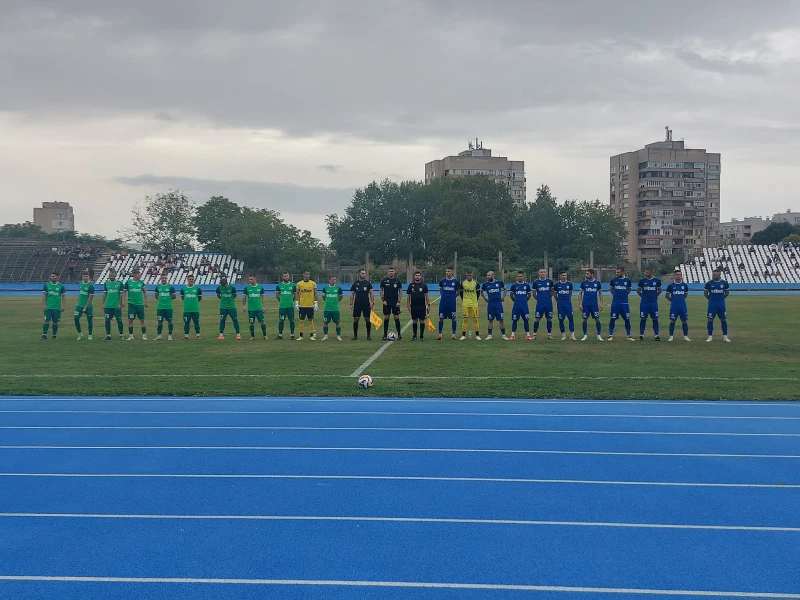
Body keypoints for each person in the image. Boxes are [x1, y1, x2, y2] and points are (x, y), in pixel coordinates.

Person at [608, 266, 634, 342]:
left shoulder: (627, 281)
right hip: (615, 303)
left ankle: (628, 336)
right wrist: (616, 296)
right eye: (616, 272)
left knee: (627, 319)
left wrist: (624, 296)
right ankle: (610, 335)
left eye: (618, 272)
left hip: (624, 303)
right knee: (612, 319)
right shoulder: (613, 280)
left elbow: (629, 289)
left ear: (622, 272)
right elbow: (611, 289)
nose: (617, 273)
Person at [704, 268, 731, 343]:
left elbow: (727, 293)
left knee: (723, 320)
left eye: (715, 275)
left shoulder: (724, 283)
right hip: (712, 305)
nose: (713, 276)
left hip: (721, 305)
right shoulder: (709, 283)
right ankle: (710, 336)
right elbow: (705, 294)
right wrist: (711, 299)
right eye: (712, 275)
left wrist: (721, 299)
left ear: (719, 275)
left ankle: (725, 337)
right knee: (710, 320)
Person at [481, 270, 508, 341]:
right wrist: (485, 298)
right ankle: (489, 335)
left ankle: (503, 335)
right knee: (490, 320)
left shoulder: (499, 282)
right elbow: (481, 291)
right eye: (487, 275)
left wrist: (503, 297)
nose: (487, 277)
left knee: (501, 320)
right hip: (491, 304)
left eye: (489, 275)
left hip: (498, 304)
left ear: (493, 276)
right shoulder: (485, 284)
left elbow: (505, 289)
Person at [637, 266, 662, 341]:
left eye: (647, 272)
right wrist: (643, 296)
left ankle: (656, 335)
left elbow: (660, 289)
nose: (645, 273)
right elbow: (638, 290)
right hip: (644, 303)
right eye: (645, 272)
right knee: (643, 318)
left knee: (655, 319)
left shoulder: (657, 280)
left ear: (651, 272)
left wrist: (655, 295)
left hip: (653, 303)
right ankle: (641, 335)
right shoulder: (642, 281)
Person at [579, 269, 604, 342]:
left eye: (588, 274)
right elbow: (580, 293)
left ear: (592, 274)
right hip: (585, 304)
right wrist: (580, 303)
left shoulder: (597, 283)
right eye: (586, 274)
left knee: (597, 319)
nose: (586, 275)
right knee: (584, 319)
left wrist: (601, 303)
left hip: (594, 305)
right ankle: (585, 335)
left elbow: (600, 293)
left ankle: (599, 335)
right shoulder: (583, 283)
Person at [665, 270, 691, 342]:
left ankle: (685, 336)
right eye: (677, 274)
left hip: (682, 306)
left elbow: (685, 294)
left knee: (684, 321)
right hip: (674, 306)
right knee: (673, 320)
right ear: (674, 276)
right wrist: (673, 300)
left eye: (680, 274)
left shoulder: (684, 285)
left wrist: (681, 299)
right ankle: (671, 336)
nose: (679, 276)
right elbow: (666, 295)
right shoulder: (671, 285)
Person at [123, 269, 148, 341]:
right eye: (139, 274)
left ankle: (144, 335)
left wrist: (146, 301)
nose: (140, 276)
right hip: (131, 305)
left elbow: (145, 292)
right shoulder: (128, 282)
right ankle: (131, 336)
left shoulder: (141, 283)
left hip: (140, 304)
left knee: (142, 320)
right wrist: (123, 301)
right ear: (135, 275)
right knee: (130, 320)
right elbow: (124, 292)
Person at [350, 269, 374, 340]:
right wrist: (351, 304)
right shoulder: (355, 284)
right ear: (359, 274)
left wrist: (372, 302)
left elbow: (371, 293)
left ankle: (368, 336)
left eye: (365, 274)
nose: (364, 275)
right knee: (356, 319)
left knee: (367, 319)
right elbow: (352, 294)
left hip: (366, 304)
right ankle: (355, 336)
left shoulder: (368, 283)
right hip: (357, 303)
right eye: (363, 273)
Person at [380, 267, 403, 340]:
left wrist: (399, 301)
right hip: (387, 302)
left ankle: (399, 335)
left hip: (395, 302)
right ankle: (384, 335)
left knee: (396, 318)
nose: (391, 272)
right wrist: (383, 299)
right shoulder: (384, 280)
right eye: (390, 271)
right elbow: (380, 290)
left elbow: (400, 292)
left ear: (394, 272)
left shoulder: (397, 281)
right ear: (388, 272)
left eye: (392, 271)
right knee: (386, 318)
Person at [41, 271, 66, 340]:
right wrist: (44, 305)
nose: (51, 277)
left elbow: (63, 297)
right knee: (46, 320)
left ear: (58, 277)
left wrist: (63, 306)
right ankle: (44, 335)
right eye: (51, 276)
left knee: (55, 321)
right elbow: (44, 296)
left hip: (57, 307)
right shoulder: (46, 285)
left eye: (53, 276)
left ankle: (54, 335)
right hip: (48, 307)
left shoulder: (61, 286)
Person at [532, 268, 555, 340]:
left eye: (544, 272)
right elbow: (534, 294)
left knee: (549, 319)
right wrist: (539, 299)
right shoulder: (536, 282)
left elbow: (552, 292)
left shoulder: (550, 282)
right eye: (541, 272)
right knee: (537, 319)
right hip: (540, 304)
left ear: (546, 273)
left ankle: (549, 335)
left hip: (548, 304)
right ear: (539, 273)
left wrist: (548, 297)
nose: (543, 273)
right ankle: (534, 335)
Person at [407, 271, 430, 341]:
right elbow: (408, 296)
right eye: (416, 275)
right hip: (413, 306)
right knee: (414, 321)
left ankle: (421, 336)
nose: (417, 276)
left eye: (418, 275)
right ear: (414, 276)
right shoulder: (411, 285)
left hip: (422, 306)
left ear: (420, 276)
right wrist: (408, 305)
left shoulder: (424, 285)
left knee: (422, 321)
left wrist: (428, 305)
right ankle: (414, 336)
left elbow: (426, 296)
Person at [437, 267, 460, 340]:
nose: (447, 273)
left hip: (452, 303)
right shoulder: (442, 281)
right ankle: (440, 334)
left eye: (449, 271)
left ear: (452, 272)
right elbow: (440, 290)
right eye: (446, 271)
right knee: (441, 318)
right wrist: (444, 296)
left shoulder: (456, 281)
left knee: (453, 318)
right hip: (443, 303)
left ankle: (453, 334)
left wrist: (452, 297)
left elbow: (458, 292)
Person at [509, 271, 532, 340]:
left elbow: (529, 295)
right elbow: (511, 295)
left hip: (524, 306)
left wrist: (524, 301)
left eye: (521, 276)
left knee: (526, 320)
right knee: (515, 320)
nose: (519, 278)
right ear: (517, 277)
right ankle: (513, 334)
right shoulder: (514, 286)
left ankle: (527, 334)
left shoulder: (526, 285)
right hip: (516, 306)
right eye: (518, 276)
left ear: (523, 277)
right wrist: (516, 301)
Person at [295, 270, 318, 341]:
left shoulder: (313, 283)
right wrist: (296, 303)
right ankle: (301, 336)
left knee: (310, 320)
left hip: (310, 306)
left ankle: (311, 335)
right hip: (302, 306)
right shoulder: (299, 284)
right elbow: (297, 293)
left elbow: (315, 294)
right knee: (301, 320)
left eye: (308, 274)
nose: (307, 276)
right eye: (306, 274)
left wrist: (316, 302)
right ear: (303, 275)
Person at [243, 274, 267, 340]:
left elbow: (263, 298)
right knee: (251, 322)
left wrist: (264, 306)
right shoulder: (247, 288)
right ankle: (252, 336)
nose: (250, 280)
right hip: (251, 309)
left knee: (262, 321)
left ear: (255, 279)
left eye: (251, 279)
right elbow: (244, 298)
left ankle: (265, 335)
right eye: (249, 279)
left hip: (259, 308)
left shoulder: (260, 287)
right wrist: (244, 305)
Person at [216, 275, 240, 340]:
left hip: (232, 307)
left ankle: (238, 334)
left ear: (227, 283)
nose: (223, 286)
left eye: (224, 285)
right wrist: (223, 299)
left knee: (235, 320)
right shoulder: (219, 288)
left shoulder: (232, 288)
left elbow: (235, 295)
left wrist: (230, 300)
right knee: (222, 320)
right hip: (223, 308)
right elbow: (218, 295)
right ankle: (221, 335)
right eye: (222, 285)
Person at [459, 270, 481, 340]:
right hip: (465, 304)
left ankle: (477, 335)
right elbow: (461, 294)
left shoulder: (476, 283)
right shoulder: (463, 283)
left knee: (475, 319)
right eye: (468, 275)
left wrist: (474, 300)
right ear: (466, 275)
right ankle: (463, 335)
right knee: (465, 319)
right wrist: (465, 300)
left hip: (474, 304)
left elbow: (478, 294)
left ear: (472, 275)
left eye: (470, 275)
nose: (469, 277)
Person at [554, 272, 576, 341]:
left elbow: (570, 293)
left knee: (571, 318)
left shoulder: (569, 284)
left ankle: (572, 335)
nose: (564, 276)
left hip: (568, 305)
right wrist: (559, 301)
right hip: (560, 305)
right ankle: (563, 335)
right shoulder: (557, 284)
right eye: (563, 275)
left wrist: (567, 300)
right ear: (560, 276)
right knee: (561, 319)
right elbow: (555, 294)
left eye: (565, 275)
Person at [154, 272, 176, 341]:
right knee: (160, 321)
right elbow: (156, 296)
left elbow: (174, 296)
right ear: (160, 278)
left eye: (165, 278)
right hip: (160, 307)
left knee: (170, 321)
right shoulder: (158, 287)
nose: (164, 279)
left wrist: (167, 300)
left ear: (167, 279)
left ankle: (170, 335)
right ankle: (159, 335)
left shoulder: (170, 287)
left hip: (168, 307)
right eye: (162, 278)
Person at [321, 275, 343, 341]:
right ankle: (325, 336)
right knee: (325, 322)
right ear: (329, 280)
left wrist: (336, 301)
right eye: (332, 279)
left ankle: (338, 336)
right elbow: (323, 296)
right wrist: (328, 301)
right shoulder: (325, 288)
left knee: (337, 322)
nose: (334, 281)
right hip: (327, 309)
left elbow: (341, 296)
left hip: (335, 309)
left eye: (335, 279)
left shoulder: (338, 288)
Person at [74, 271, 95, 341]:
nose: (85, 278)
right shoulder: (80, 283)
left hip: (88, 306)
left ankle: (90, 335)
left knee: (89, 320)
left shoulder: (91, 286)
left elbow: (90, 298)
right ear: (82, 277)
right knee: (76, 318)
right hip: (80, 305)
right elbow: (80, 293)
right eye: (84, 276)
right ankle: (80, 333)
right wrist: (78, 302)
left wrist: (85, 307)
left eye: (87, 276)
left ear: (89, 277)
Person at [181, 274, 202, 340]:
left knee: (196, 322)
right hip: (187, 309)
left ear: (194, 280)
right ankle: (186, 335)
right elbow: (182, 297)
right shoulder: (183, 289)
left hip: (195, 309)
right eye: (190, 279)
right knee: (186, 322)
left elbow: (199, 298)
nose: (191, 281)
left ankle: (198, 335)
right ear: (187, 280)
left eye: (192, 279)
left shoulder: (197, 289)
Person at [275, 272, 296, 340]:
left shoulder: (293, 286)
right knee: (281, 320)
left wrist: (291, 301)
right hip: (282, 307)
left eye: (287, 276)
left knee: (291, 320)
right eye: (284, 276)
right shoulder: (279, 286)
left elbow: (295, 296)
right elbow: (277, 296)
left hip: (290, 306)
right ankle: (280, 335)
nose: (286, 277)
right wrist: (282, 301)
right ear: (282, 277)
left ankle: (292, 335)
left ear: (289, 276)